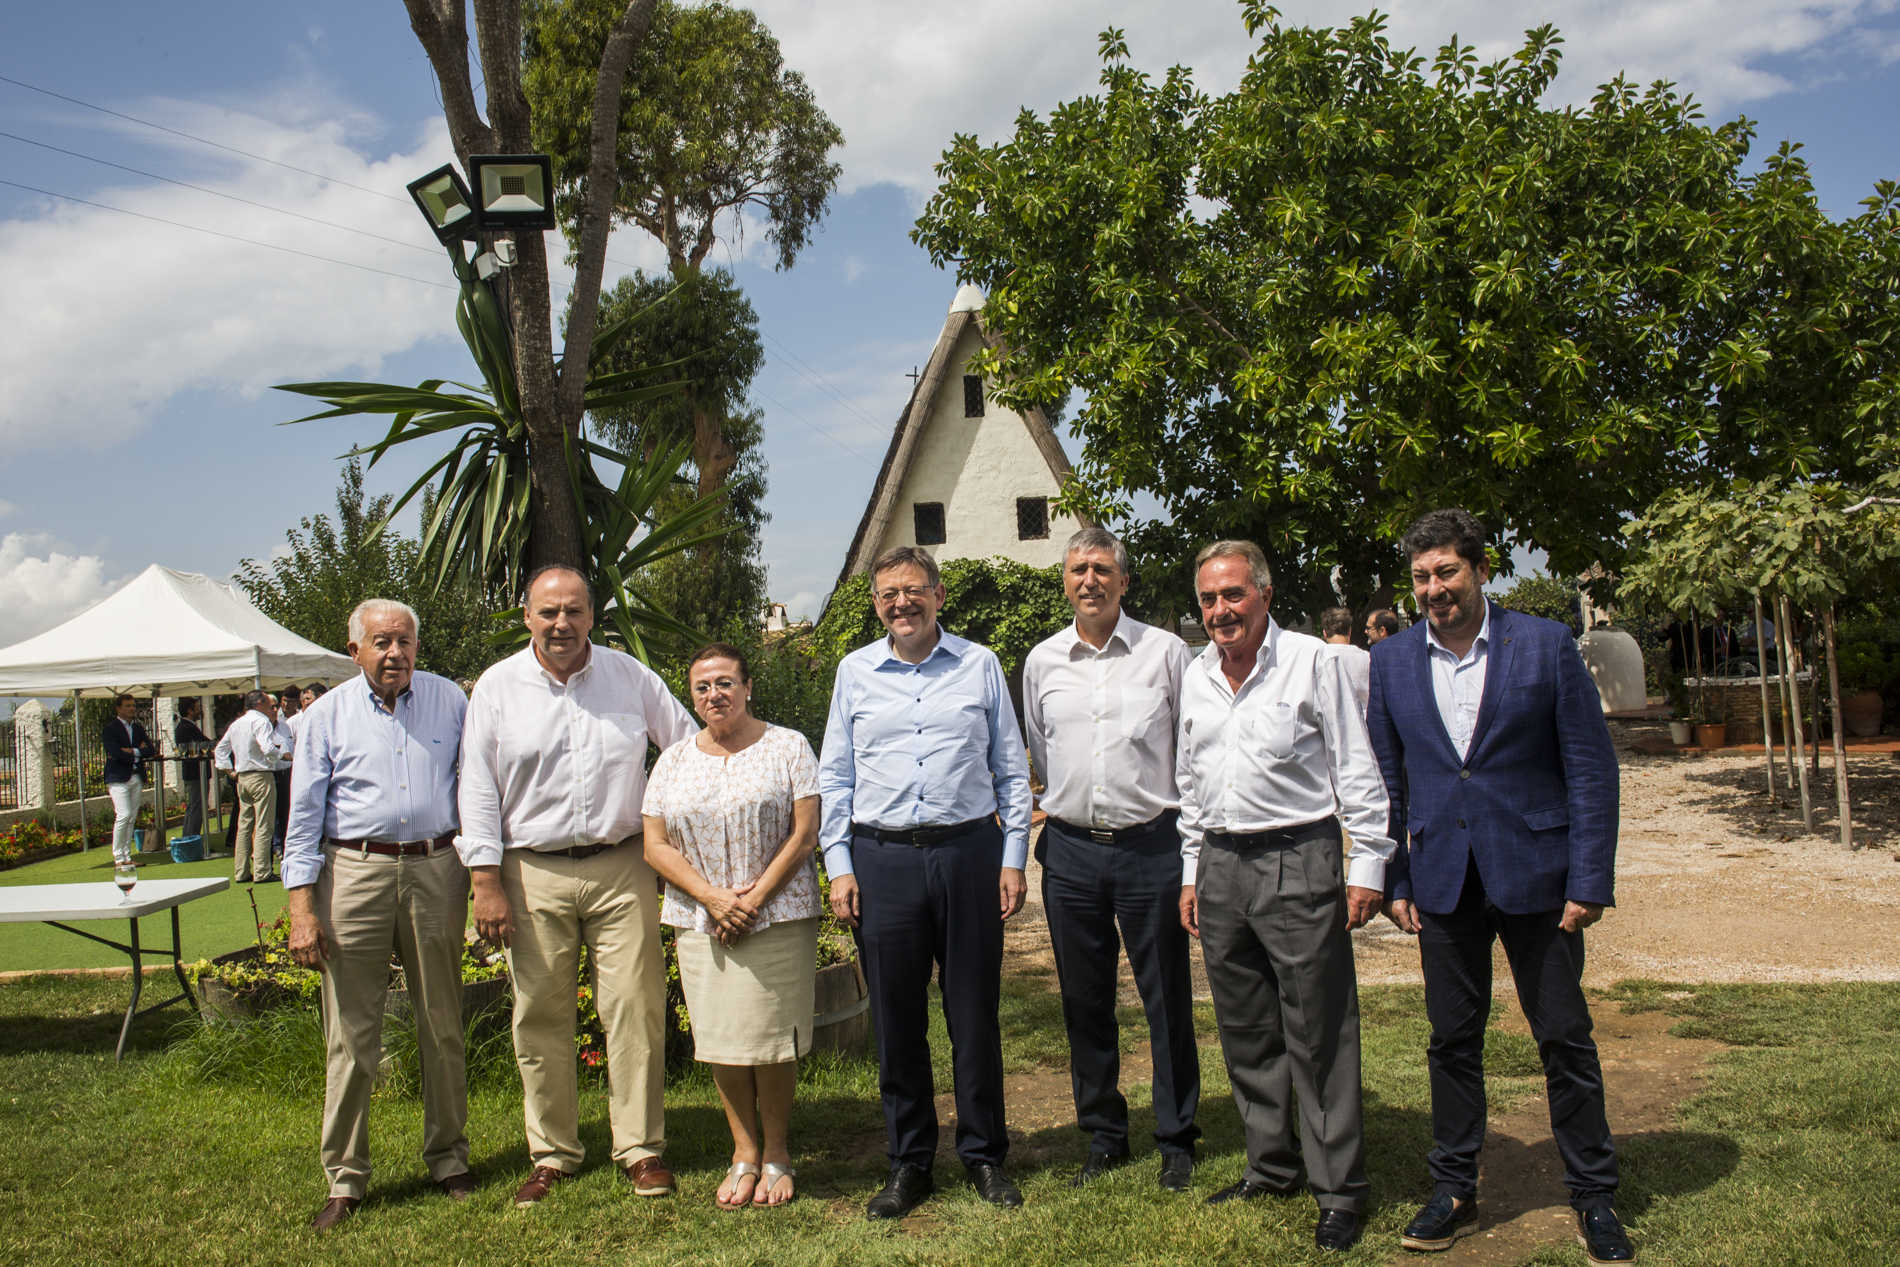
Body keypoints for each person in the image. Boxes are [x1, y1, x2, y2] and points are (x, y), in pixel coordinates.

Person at [1366, 509, 1633, 1265]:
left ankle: (1593, 1192)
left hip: (1539, 877)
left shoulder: (1544, 643)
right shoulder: (1390, 663)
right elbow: (1390, 779)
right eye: (1421, 576)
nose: (1434, 588)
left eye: (1447, 571)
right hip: (1444, 881)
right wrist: (1396, 876)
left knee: (1563, 1036)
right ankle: (1454, 1185)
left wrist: (1590, 877)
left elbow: (1590, 766)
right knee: (1452, 1040)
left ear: (1481, 570)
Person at [1176, 540, 1393, 1254]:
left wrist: (1369, 864)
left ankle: (1339, 1189)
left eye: (1233, 594)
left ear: (1264, 593)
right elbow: (1190, 781)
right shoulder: (1197, 672)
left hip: (1298, 853)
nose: (1220, 611)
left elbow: (1355, 766)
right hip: (1220, 861)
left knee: (1318, 1028)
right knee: (1245, 1027)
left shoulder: (1311, 660)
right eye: (1209, 598)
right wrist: (1190, 870)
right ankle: (1270, 1165)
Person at [458, 564, 697, 1208]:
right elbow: (477, 786)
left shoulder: (630, 677)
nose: (560, 623)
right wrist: (485, 879)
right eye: (547, 612)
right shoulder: (498, 688)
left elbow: (685, 749)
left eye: (573, 611)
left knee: (635, 1010)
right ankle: (553, 1153)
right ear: (527, 616)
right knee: (539, 1015)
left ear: (593, 615)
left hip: (622, 865)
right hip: (529, 870)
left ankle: (641, 1149)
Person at [819, 545, 1032, 1220]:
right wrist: (840, 865)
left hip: (968, 850)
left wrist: (1013, 854)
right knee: (896, 1019)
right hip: (883, 859)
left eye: (914, 589)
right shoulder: (854, 672)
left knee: (972, 1013)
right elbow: (835, 777)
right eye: (889, 593)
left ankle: (984, 1154)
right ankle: (909, 1160)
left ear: (939, 595)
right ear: (876, 603)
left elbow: (1011, 766)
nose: (901, 602)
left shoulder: (979, 665)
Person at [283, 600, 475, 1233]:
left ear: (417, 645)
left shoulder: (450, 700)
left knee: (442, 1021)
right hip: (354, 873)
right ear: (355, 649)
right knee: (351, 1033)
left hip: (435, 869)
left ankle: (449, 1159)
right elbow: (304, 816)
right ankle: (345, 1178)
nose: (395, 652)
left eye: (405, 640)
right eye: (381, 641)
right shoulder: (325, 716)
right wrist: (300, 906)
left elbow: (473, 789)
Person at [1022, 527, 1200, 1191]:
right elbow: (1040, 745)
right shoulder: (1042, 661)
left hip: (1151, 844)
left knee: (1166, 999)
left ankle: (1177, 1135)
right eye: (1077, 570)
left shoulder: (1166, 653)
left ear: (1124, 581)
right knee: (1084, 1001)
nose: (1088, 580)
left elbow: (1191, 742)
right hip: (1068, 851)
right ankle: (1102, 1134)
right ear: (1064, 581)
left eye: (1101, 569)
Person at [642, 644, 822, 1210]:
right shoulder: (671, 760)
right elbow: (655, 844)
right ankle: (742, 1152)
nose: (714, 695)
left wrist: (753, 899)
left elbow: (805, 832)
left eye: (725, 683)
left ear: (747, 688)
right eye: (702, 687)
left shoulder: (789, 747)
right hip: (701, 919)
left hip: (778, 914)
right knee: (722, 1037)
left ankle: (776, 1153)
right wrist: (715, 899)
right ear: (691, 696)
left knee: (771, 1039)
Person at [215, 690, 285, 883]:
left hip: (243, 777)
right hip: (261, 775)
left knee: (244, 825)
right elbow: (268, 748)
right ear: (260, 703)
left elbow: (220, 750)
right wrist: (281, 756)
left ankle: (241, 871)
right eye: (268, 704)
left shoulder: (237, 723)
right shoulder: (261, 721)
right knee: (264, 824)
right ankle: (262, 870)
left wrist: (229, 770)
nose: (272, 708)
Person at [102, 693, 157, 864]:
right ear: (118, 708)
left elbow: (151, 749)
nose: (132, 708)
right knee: (123, 815)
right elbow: (115, 753)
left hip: (136, 776)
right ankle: (118, 857)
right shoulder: (110, 729)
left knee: (132, 816)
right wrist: (136, 752)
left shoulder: (138, 728)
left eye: (133, 705)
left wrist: (132, 751)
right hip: (118, 778)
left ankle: (127, 855)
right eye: (128, 705)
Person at [172, 698, 213, 841]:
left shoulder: (189, 726)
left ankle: (192, 838)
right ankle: (191, 839)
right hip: (195, 773)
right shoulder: (185, 727)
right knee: (196, 807)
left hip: (197, 773)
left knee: (197, 806)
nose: (199, 710)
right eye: (196, 708)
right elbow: (203, 744)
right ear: (190, 710)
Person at [1319, 607, 1371, 716]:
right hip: (1365, 723)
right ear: (1350, 630)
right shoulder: (1367, 657)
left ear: (1324, 633)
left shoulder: (1318, 659)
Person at [273, 687, 301, 858]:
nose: (285, 705)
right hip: (279, 768)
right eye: (283, 701)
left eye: (289, 701)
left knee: (290, 807)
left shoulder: (298, 719)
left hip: (294, 768)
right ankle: (277, 844)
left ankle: (288, 842)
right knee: (277, 810)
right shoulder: (276, 721)